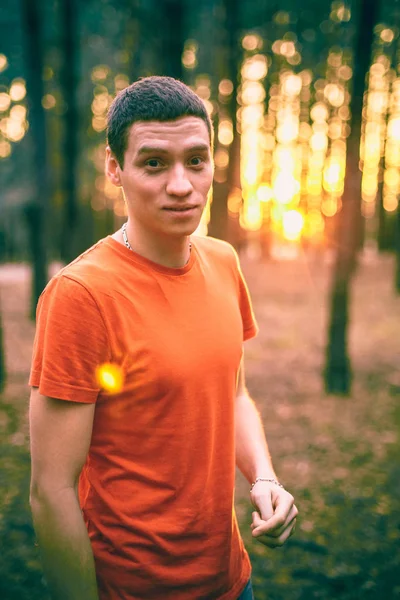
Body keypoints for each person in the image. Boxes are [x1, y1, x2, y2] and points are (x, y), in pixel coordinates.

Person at [29, 76, 298, 600]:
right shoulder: (81, 295)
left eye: (196, 161)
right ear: (115, 168)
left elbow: (234, 393)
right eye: (154, 163)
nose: (181, 184)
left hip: (231, 580)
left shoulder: (223, 260)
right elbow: (51, 490)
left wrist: (264, 477)